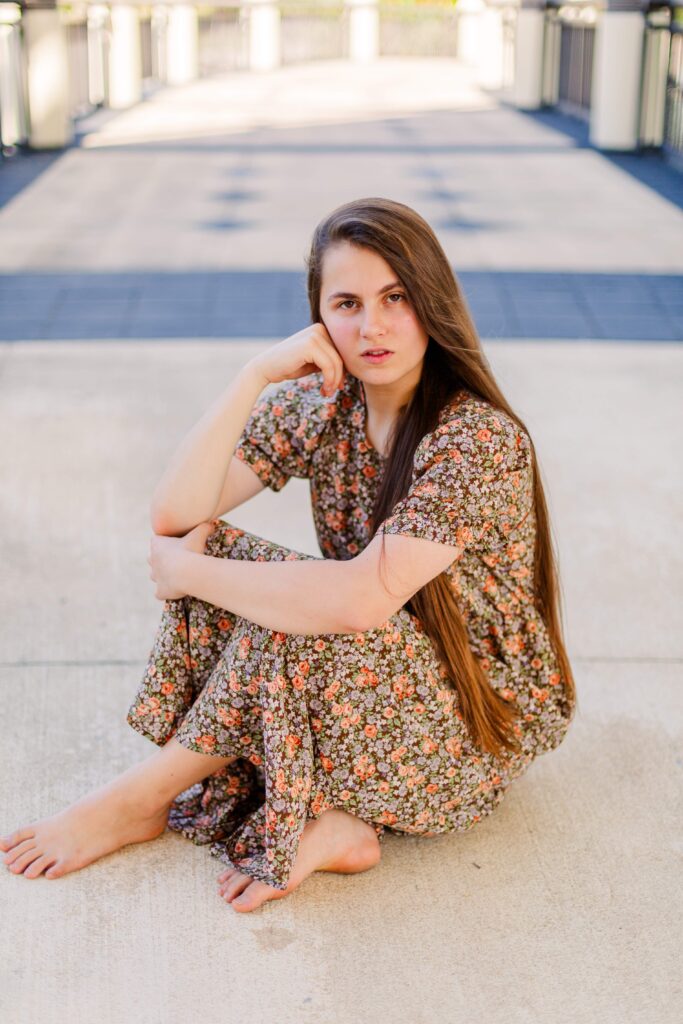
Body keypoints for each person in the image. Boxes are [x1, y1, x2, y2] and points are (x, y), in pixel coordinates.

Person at [1, 197, 577, 913]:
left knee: (293, 604)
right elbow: (176, 513)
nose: (372, 326)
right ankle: (341, 827)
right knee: (247, 567)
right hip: (377, 678)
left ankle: (141, 798)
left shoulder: (473, 441)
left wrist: (189, 572)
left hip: (471, 728)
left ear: (432, 300)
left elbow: (358, 600)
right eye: (347, 303)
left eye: (396, 298)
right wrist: (252, 377)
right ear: (319, 317)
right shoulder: (325, 403)